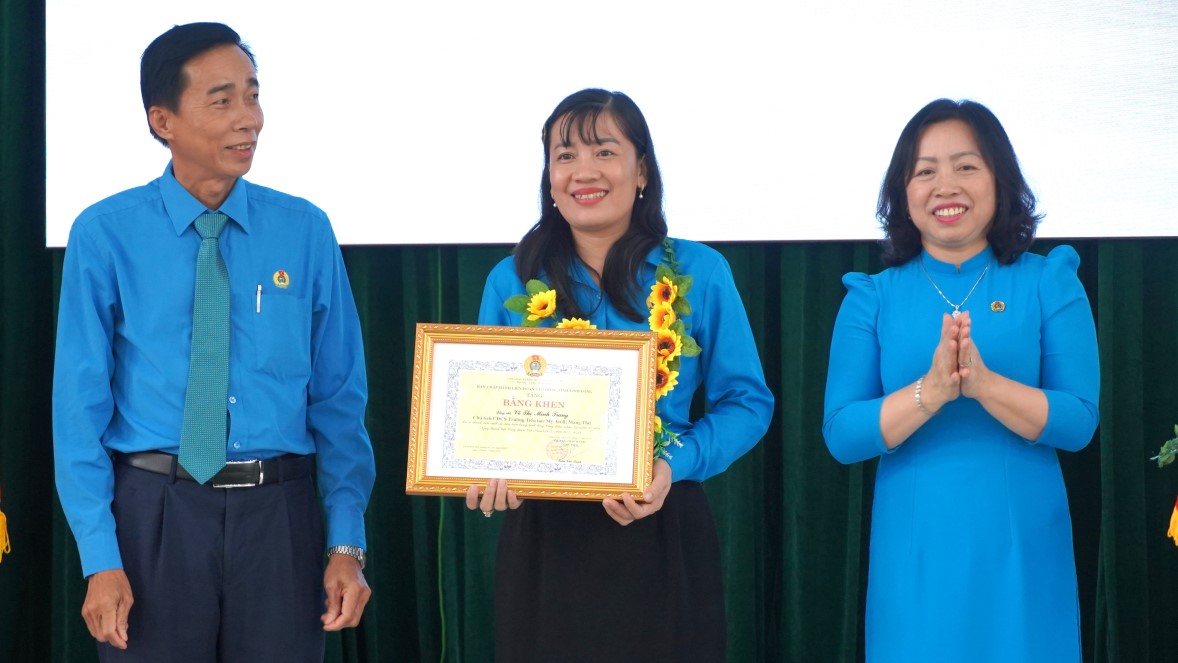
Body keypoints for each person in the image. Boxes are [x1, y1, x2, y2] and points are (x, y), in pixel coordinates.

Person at [52, 22, 374, 661]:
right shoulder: (104, 233)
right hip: (154, 515)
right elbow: (77, 411)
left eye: (254, 97)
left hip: (278, 518)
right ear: (162, 119)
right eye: (222, 100)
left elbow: (339, 401)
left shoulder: (305, 229)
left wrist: (346, 543)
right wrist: (99, 557)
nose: (248, 119)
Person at [465, 88, 774, 661]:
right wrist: (486, 470)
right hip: (546, 545)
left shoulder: (700, 273)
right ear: (548, 177)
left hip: (662, 527)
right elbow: (487, 418)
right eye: (564, 156)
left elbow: (747, 403)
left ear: (642, 171)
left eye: (604, 151)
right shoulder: (511, 281)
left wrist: (671, 464)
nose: (583, 171)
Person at [822, 99, 1099, 662]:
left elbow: (1078, 422)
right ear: (903, 192)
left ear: (1001, 179)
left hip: (1022, 553)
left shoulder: (1051, 283)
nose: (945, 185)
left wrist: (984, 385)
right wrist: (932, 392)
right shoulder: (871, 298)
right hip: (915, 556)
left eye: (966, 166)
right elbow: (843, 434)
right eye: (924, 171)